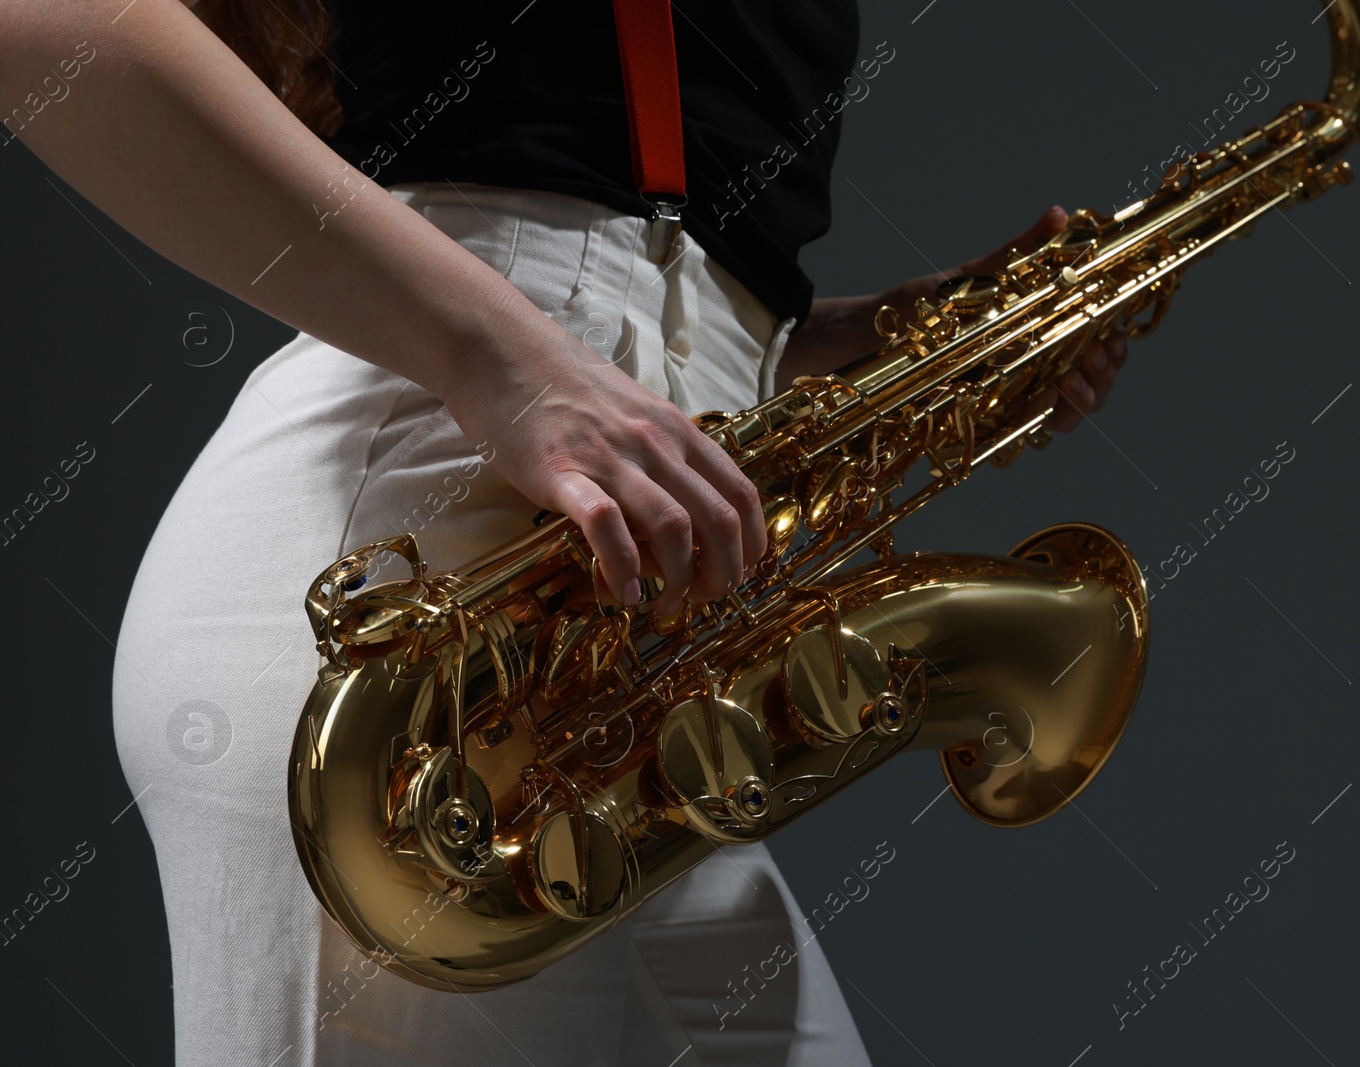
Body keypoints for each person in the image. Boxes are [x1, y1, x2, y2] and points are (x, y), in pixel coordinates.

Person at [0, 1, 1128, 1063]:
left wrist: (894, 344)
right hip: (413, 608)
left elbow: (641, 271)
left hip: (619, 676)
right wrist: (494, 353)